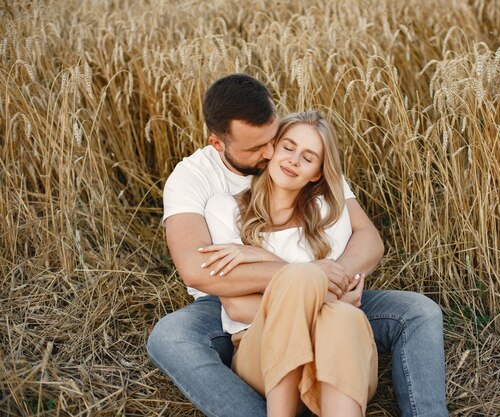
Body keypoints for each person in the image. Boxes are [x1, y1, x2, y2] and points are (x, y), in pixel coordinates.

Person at [147, 73, 447, 417]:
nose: (273, 151)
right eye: (258, 148)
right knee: (170, 337)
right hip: (229, 300)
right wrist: (309, 279)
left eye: (274, 137)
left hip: (328, 293)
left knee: (417, 311)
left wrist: (332, 282)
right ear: (219, 144)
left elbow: (367, 238)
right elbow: (200, 272)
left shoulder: (300, 153)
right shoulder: (196, 180)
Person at [203, 111, 377, 417]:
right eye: (288, 147)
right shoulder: (225, 209)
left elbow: (345, 288)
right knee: (327, 301)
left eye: (308, 157)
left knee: (343, 320)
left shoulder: (327, 214)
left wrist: (263, 257)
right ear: (270, 150)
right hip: (259, 352)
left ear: (317, 174)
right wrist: (317, 293)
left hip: (331, 352)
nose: (294, 160)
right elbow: (236, 307)